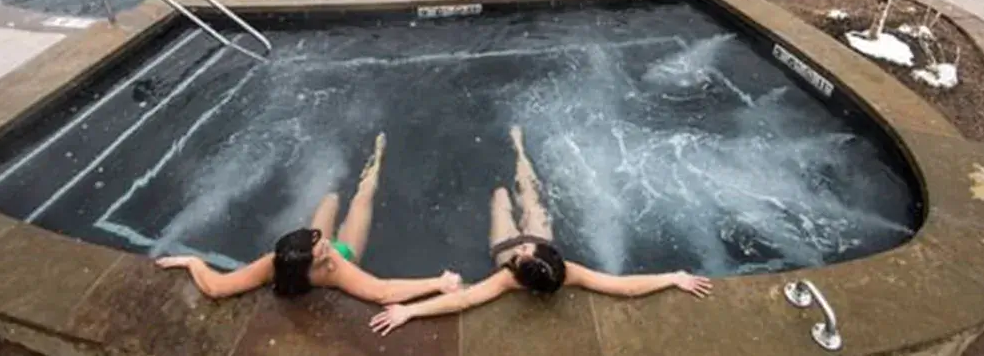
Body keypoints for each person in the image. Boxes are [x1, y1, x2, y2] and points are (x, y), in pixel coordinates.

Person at [369, 126, 712, 336]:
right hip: (541, 234)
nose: (522, 250)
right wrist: (672, 277)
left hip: (502, 241)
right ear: (550, 256)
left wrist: (409, 311)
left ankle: (503, 174)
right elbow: (621, 287)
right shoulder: (567, 271)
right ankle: (519, 148)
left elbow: (463, 300)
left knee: (501, 198)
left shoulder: (508, 278)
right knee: (530, 193)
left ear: (519, 272)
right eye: (526, 252)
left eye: (520, 258)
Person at [156, 134, 462, 302]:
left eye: (320, 241)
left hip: (305, 257)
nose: (326, 245)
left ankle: (351, 175)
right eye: (322, 249)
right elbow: (383, 291)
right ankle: (378, 158)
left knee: (330, 199)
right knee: (362, 198)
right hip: (349, 255)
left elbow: (216, 287)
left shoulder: (274, 262)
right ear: (314, 263)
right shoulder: (335, 267)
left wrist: (191, 261)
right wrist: (438, 282)